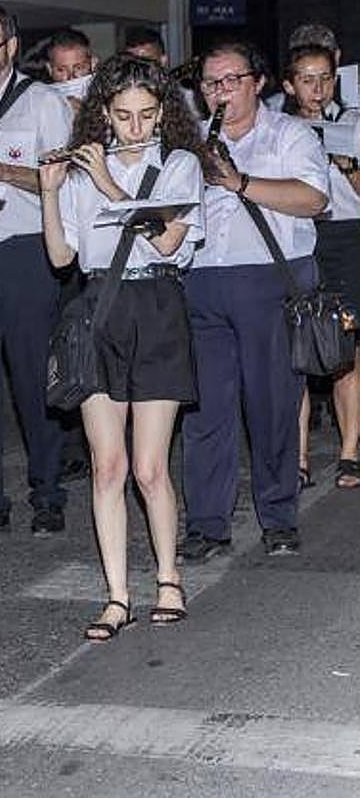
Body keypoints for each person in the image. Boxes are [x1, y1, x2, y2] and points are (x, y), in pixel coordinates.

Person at [39, 54, 207, 638]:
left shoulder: (181, 165)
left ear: (163, 114)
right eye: (123, 116)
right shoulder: (83, 172)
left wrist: (111, 183)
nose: (135, 127)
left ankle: (168, 577)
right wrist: (50, 193)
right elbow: (63, 257)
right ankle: (116, 595)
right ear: (104, 116)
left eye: (146, 115)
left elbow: (165, 242)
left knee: (149, 466)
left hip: (157, 308)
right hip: (99, 310)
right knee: (106, 467)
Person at [182, 40, 329, 562]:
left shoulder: (288, 134)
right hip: (201, 280)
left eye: (229, 81)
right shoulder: (192, 139)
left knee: (271, 405)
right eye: (209, 84)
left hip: (269, 282)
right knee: (205, 410)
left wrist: (239, 181)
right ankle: (206, 523)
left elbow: (314, 199)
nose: (219, 93)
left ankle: (280, 516)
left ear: (256, 82)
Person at [0, 3, 74, 537]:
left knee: (32, 376)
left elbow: (65, 179)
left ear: (9, 46)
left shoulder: (43, 102)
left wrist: (4, 172)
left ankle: (47, 491)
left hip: (27, 248)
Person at [282, 44, 360, 489]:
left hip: (347, 237)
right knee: (296, 349)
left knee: (345, 350)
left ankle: (349, 452)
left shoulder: (353, 122)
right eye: (307, 79)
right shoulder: (280, 127)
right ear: (290, 84)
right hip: (299, 237)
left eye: (326, 78)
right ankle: (299, 457)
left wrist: (348, 166)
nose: (318, 88)